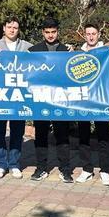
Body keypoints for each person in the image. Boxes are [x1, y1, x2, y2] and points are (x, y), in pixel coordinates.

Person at [29, 18, 73, 183]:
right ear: (43, 32)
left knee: (62, 136)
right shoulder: (33, 51)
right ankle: (41, 168)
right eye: (47, 32)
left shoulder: (66, 51)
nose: (50, 35)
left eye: (53, 32)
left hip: (60, 99)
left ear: (57, 32)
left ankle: (65, 170)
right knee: (40, 135)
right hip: (40, 99)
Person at [0, 17, 32, 179]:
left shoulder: (27, 47)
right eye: (9, 27)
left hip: (19, 96)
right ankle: (0, 164)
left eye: (15, 27)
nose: (12, 30)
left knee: (17, 131)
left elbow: (41, 61)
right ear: (4, 28)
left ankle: (14, 164)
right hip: (0, 95)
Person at [75, 23, 109, 185]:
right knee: (83, 135)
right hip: (82, 100)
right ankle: (87, 169)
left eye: (94, 33)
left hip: (101, 99)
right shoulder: (78, 52)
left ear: (99, 34)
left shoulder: (106, 51)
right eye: (88, 34)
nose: (91, 36)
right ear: (84, 35)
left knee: (103, 135)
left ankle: (105, 170)